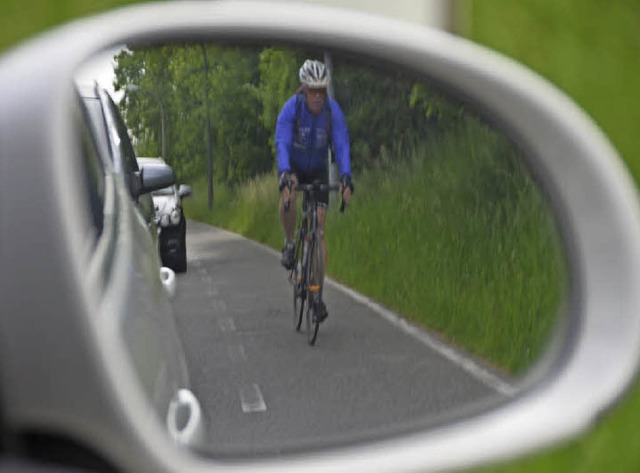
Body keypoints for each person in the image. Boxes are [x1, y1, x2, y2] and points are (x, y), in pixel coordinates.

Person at [275, 59, 354, 322]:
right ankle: (289, 243)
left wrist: (345, 177)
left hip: (318, 169)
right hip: (295, 167)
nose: (318, 96)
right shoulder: (292, 109)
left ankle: (317, 296)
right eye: (313, 90)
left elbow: (341, 144)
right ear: (304, 88)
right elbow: (282, 141)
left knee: (319, 231)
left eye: (322, 90)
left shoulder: (333, 112)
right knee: (288, 196)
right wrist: (285, 174)